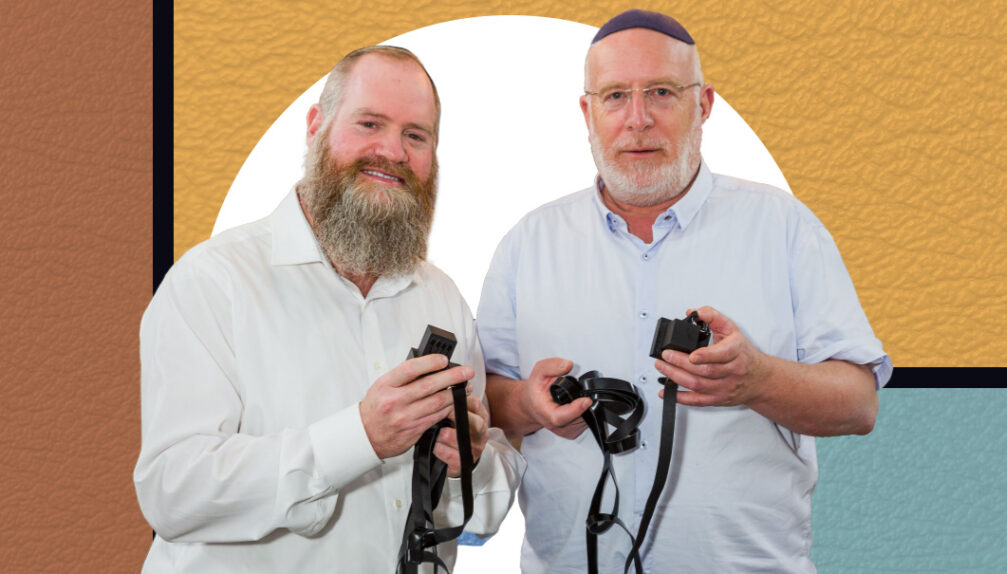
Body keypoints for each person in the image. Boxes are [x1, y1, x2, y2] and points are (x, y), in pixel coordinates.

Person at [477, 9, 892, 573]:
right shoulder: (528, 244)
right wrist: (528, 404)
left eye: (662, 92)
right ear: (588, 113)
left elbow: (859, 403)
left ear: (705, 104)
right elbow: (482, 402)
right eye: (615, 96)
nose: (638, 119)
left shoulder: (784, 227)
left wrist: (758, 380)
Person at [134, 45, 524, 572]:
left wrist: (468, 466)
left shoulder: (441, 297)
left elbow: (478, 521)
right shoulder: (211, 282)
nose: (393, 151)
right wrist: (360, 437)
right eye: (370, 123)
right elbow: (172, 492)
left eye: (416, 135)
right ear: (316, 125)